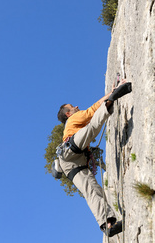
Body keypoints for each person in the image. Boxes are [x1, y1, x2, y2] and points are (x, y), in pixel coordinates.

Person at [56, 80, 132, 237]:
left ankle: (108, 224)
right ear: (68, 113)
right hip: (71, 151)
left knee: (92, 189)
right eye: (73, 107)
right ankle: (113, 98)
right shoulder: (73, 119)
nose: (77, 106)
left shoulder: (73, 122)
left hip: (73, 165)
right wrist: (112, 94)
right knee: (91, 129)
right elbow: (92, 111)